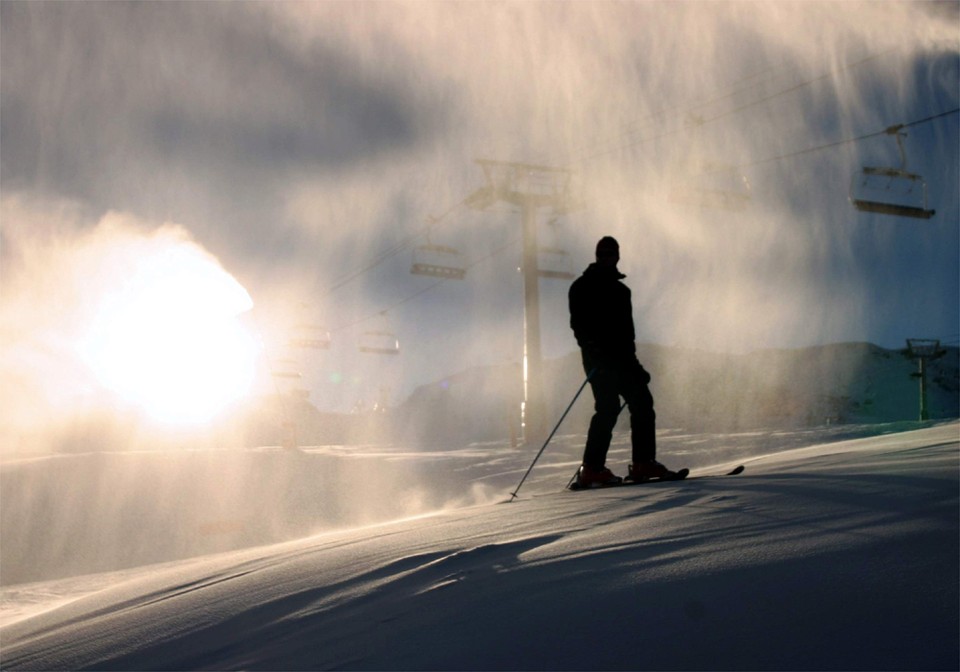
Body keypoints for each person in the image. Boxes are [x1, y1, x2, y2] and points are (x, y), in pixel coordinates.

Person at [568, 236, 677, 487]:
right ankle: (592, 468)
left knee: (642, 402)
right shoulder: (582, 286)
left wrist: (635, 365)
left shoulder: (621, 291)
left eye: (610, 253)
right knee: (607, 407)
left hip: (623, 359)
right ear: (597, 256)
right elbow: (578, 324)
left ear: (617, 256)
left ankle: (643, 463)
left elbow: (628, 335)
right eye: (602, 253)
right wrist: (594, 349)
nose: (606, 257)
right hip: (599, 359)